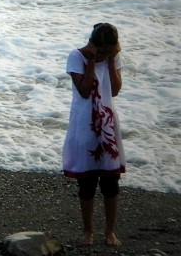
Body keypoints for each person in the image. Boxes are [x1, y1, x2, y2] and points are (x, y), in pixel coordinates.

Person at [63, 22, 125, 247]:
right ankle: (88, 231)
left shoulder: (112, 58)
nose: (105, 54)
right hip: (84, 123)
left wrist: (110, 60)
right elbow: (85, 90)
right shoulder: (76, 57)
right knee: (87, 182)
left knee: (111, 182)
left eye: (109, 50)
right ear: (93, 44)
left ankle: (110, 232)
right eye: (102, 50)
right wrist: (91, 60)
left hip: (107, 124)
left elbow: (115, 90)